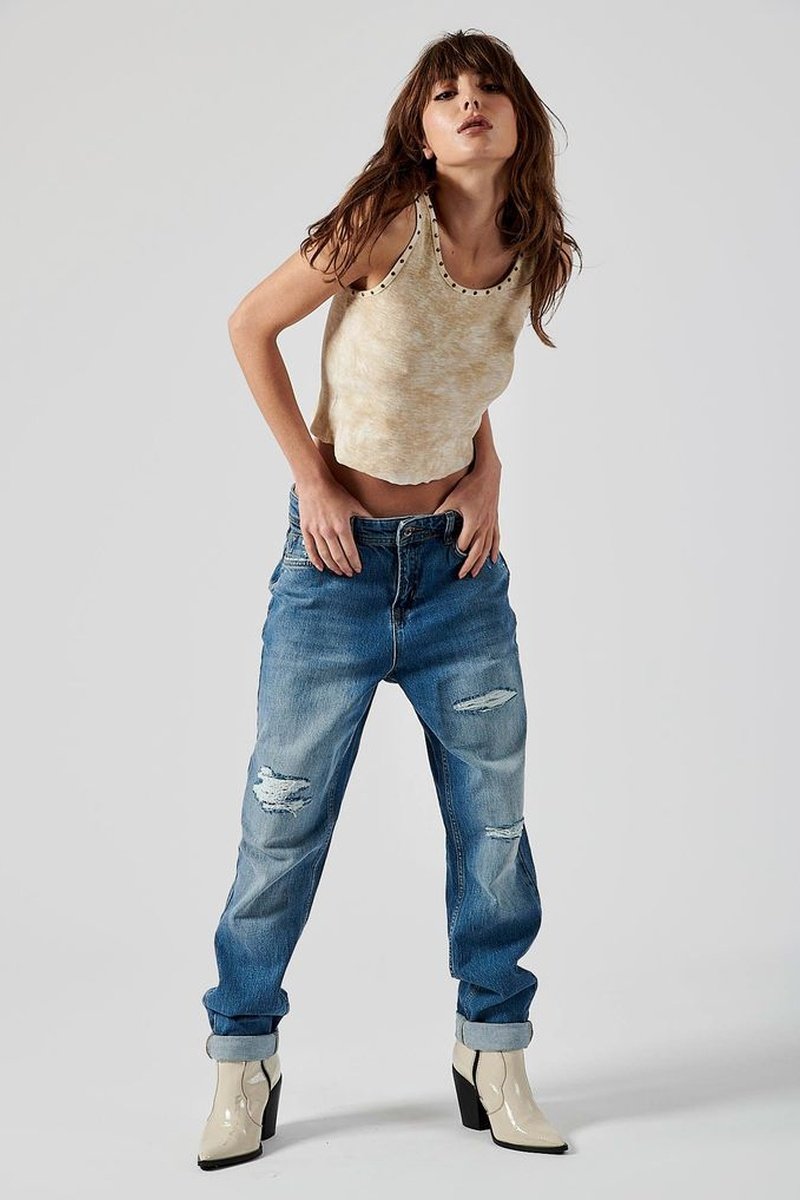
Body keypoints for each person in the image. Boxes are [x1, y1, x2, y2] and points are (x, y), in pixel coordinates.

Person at [197, 28, 581, 1169]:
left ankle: (493, 1051)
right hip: (336, 575)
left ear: (518, 119)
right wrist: (311, 479)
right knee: (280, 822)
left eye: (489, 89)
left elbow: (451, 373)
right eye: (445, 92)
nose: (470, 103)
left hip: (459, 577)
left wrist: (489, 467)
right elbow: (249, 325)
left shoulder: (528, 245)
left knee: (493, 827)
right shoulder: (383, 222)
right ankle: (241, 1057)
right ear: (419, 126)